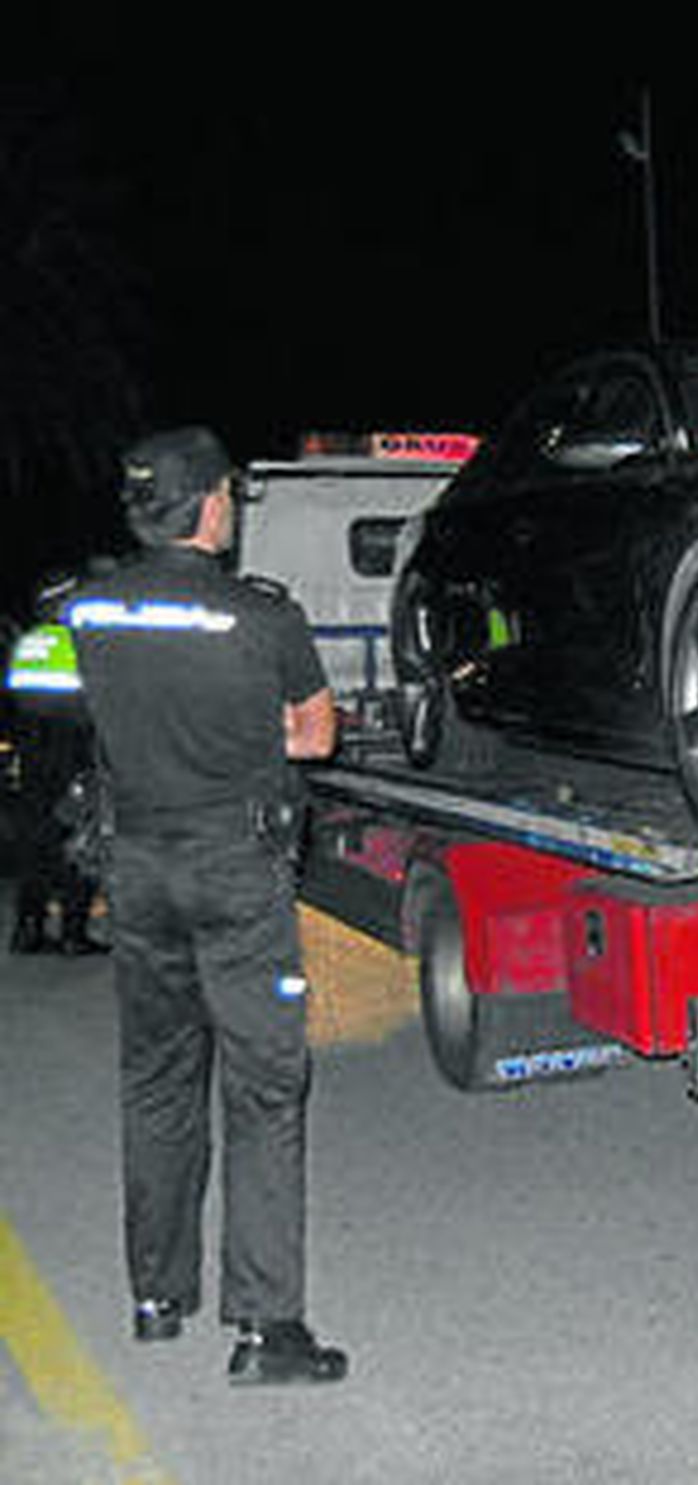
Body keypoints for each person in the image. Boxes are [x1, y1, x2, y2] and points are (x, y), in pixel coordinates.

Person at [64, 426, 348, 1386]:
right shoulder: (261, 615)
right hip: (236, 871)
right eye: (226, 493)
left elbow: (78, 707)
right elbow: (315, 736)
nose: (231, 507)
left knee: (157, 1080)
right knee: (264, 1088)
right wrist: (248, 727)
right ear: (206, 506)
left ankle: (156, 1295)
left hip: (139, 868)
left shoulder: (90, 609)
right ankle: (267, 1328)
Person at [6, 610, 107, 955]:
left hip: (31, 745)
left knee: (34, 840)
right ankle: (73, 933)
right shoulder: (82, 640)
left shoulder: (29, 641)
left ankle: (28, 929)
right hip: (71, 745)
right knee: (78, 836)